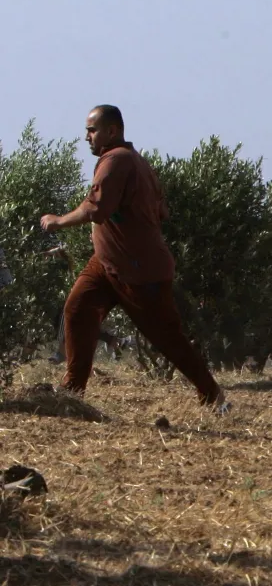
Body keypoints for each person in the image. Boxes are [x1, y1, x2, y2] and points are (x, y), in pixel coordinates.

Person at [38, 105, 228, 411]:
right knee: (78, 310)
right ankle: (72, 393)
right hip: (107, 262)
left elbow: (95, 209)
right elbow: (161, 210)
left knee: (166, 337)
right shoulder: (136, 162)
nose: (87, 136)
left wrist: (58, 221)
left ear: (112, 131)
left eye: (92, 130)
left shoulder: (116, 160)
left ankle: (212, 394)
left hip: (139, 269)